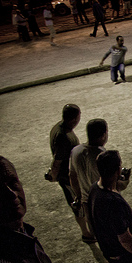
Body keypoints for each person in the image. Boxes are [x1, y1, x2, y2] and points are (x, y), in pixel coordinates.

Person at [48, 104, 93, 242]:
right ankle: (86, 233)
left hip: (69, 175)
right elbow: (58, 160)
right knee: (78, 204)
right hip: (68, 177)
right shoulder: (64, 137)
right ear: (75, 118)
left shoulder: (58, 127)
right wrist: (54, 175)